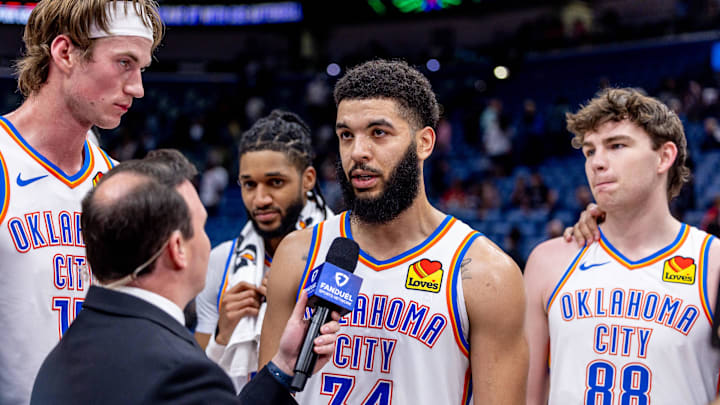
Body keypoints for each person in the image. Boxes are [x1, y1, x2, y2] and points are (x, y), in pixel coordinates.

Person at [259, 59, 528, 404]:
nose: (357, 152)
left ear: (425, 143)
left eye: (378, 133)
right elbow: (267, 393)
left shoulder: (485, 274)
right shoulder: (298, 253)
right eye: (346, 135)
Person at [30, 150, 342, 405]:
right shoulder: (181, 375)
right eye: (202, 227)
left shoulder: (62, 352)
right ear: (178, 248)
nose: (208, 241)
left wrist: (281, 368)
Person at [0, 1, 163, 403]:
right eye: (124, 62)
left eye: (141, 68)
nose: (138, 88)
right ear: (65, 52)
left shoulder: (123, 183)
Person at [524, 87, 720, 404]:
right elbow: (525, 396)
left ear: (664, 156)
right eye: (589, 151)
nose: (597, 163)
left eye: (616, 146)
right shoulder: (548, 262)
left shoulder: (713, 264)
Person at [195, 109, 332, 392]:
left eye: (275, 182)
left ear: (307, 179)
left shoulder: (341, 257)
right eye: (249, 184)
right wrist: (223, 334)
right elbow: (196, 384)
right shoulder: (221, 262)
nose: (260, 199)